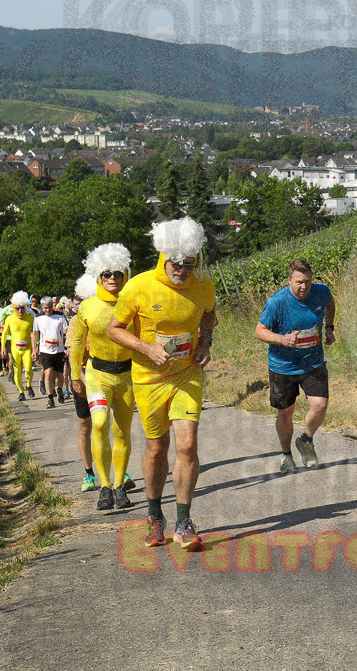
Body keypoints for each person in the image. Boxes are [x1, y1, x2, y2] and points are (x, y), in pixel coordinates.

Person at [108, 217, 217, 550]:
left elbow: (209, 315)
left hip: (186, 374)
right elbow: (115, 328)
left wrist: (206, 341)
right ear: (163, 256)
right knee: (157, 449)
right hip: (148, 377)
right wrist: (146, 348)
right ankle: (155, 516)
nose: (182, 269)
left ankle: (184, 521)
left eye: (189, 263)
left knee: (187, 445)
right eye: (176, 263)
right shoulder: (138, 286)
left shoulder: (204, 285)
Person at [70, 247, 137, 510]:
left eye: (117, 274)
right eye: (106, 274)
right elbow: (76, 343)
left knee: (123, 430)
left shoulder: (133, 301)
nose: (112, 278)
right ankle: (104, 487)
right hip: (98, 375)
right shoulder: (87, 306)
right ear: (98, 277)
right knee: (98, 424)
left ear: (125, 275)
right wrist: (76, 375)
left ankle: (119, 486)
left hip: (128, 375)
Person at [255, 259, 335, 472]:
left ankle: (306, 440)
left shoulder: (321, 292)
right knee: (286, 413)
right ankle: (285, 454)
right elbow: (260, 330)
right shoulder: (277, 302)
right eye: (299, 282)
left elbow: (330, 302)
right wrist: (282, 339)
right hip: (284, 366)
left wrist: (329, 327)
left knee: (320, 405)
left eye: (308, 281)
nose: (304, 286)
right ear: (289, 280)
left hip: (313, 361)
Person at [70, 275, 100, 492]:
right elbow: (72, 353)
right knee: (85, 427)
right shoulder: (75, 321)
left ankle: (117, 469)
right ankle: (89, 473)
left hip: (108, 378)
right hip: (83, 377)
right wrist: (77, 378)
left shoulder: (112, 316)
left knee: (106, 426)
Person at [32, 297, 69, 409]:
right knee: (48, 373)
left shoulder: (60, 316)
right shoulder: (38, 318)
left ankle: (59, 390)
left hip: (59, 350)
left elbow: (67, 331)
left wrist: (67, 345)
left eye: (49, 308)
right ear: (42, 307)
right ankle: (50, 398)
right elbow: (34, 334)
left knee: (59, 375)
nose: (48, 310)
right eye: (45, 308)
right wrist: (34, 349)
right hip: (45, 350)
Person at [1, 292, 36, 401]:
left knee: (29, 368)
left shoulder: (30, 318)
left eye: (22, 308)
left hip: (27, 348)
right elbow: (4, 333)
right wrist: (3, 347)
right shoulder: (9, 319)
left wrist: (36, 348)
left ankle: (29, 385)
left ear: (25, 307)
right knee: (17, 371)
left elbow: (35, 334)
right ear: (14, 308)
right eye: (17, 308)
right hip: (15, 349)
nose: (20, 310)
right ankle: (21, 392)